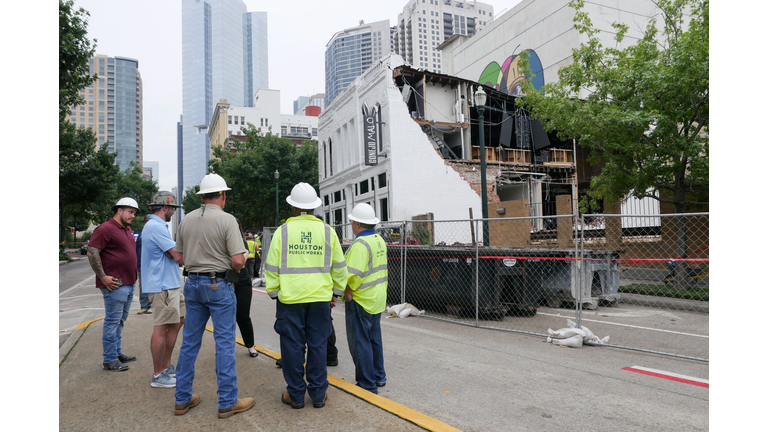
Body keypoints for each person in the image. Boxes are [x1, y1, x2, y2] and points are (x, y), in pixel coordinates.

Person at [173, 174, 254, 419]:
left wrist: (198, 261)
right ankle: (227, 401)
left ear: (201, 196)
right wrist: (233, 269)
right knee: (225, 344)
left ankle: (182, 399)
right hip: (219, 284)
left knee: (189, 344)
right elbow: (239, 260)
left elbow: (178, 257)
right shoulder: (227, 220)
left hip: (193, 284)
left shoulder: (186, 220)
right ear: (222, 195)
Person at [265, 182, 347, 409]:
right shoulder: (328, 232)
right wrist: (336, 294)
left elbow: (271, 267)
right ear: (314, 208)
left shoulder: (282, 232)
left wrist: (274, 292)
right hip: (320, 299)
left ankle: (296, 395)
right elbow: (340, 267)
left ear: (293, 207)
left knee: (292, 347)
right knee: (318, 345)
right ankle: (319, 394)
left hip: (290, 300)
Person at [87, 197, 140, 372]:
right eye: (130, 212)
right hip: (115, 284)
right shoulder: (105, 228)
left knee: (120, 321)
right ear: (119, 210)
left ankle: (116, 353)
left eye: (134, 213)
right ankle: (109, 359)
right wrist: (102, 277)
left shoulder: (127, 229)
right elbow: (92, 251)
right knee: (112, 322)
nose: (132, 216)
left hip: (129, 283)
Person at [141, 191, 185, 389]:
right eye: (173, 209)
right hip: (164, 286)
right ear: (165, 208)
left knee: (177, 321)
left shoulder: (157, 226)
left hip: (171, 284)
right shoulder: (155, 227)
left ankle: (166, 367)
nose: (173, 213)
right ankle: (159, 374)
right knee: (162, 327)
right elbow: (177, 255)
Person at [343, 203, 388, 394]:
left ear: (359, 224)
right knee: (374, 339)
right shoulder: (379, 240)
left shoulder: (360, 245)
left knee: (360, 341)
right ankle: (379, 377)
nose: (352, 224)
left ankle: (366, 383)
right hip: (377, 297)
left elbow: (352, 274)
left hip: (361, 298)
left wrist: (346, 292)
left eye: (353, 221)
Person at [235, 220, 259, 358]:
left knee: (243, 315)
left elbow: (240, 262)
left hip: (241, 280)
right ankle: (225, 348)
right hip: (225, 279)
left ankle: (250, 346)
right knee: (226, 317)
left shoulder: (242, 242)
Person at [136, 214, 153, 315]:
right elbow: (136, 249)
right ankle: (144, 306)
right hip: (141, 265)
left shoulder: (153, 233)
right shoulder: (141, 235)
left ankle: (151, 305)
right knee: (142, 286)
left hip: (151, 264)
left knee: (152, 286)